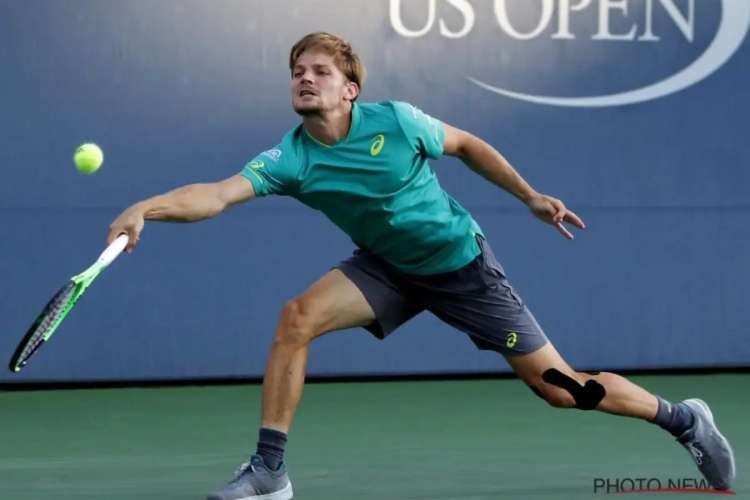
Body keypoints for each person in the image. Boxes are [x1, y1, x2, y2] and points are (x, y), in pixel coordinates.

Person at [106, 32, 735, 500]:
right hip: (386, 268)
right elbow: (215, 195)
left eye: (320, 71)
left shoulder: (398, 121)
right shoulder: (291, 157)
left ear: (350, 88)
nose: (304, 78)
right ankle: (270, 471)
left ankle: (683, 419)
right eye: (297, 71)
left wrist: (531, 197)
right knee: (295, 319)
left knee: (563, 390)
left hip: (462, 268)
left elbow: (465, 144)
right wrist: (146, 208)